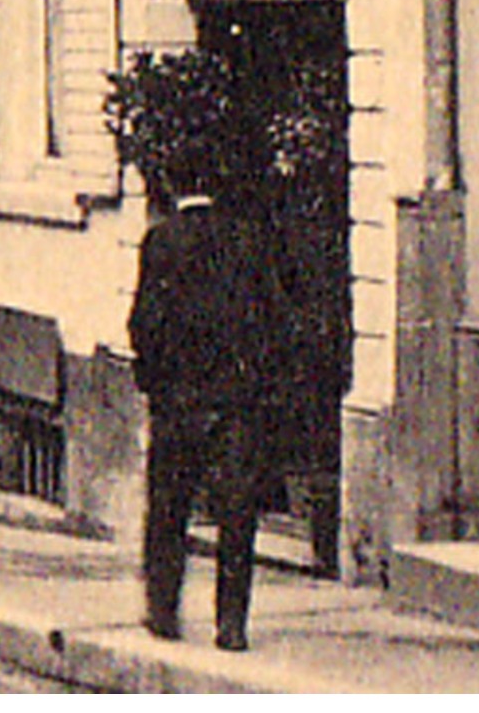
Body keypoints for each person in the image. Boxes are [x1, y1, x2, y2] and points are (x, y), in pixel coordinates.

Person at [127, 142, 288, 653]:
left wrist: (153, 382)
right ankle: (231, 625)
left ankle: (163, 610)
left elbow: (145, 323)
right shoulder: (247, 240)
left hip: (179, 401)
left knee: (169, 507)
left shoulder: (162, 242)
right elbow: (273, 320)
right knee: (237, 515)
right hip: (235, 401)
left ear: (174, 186)